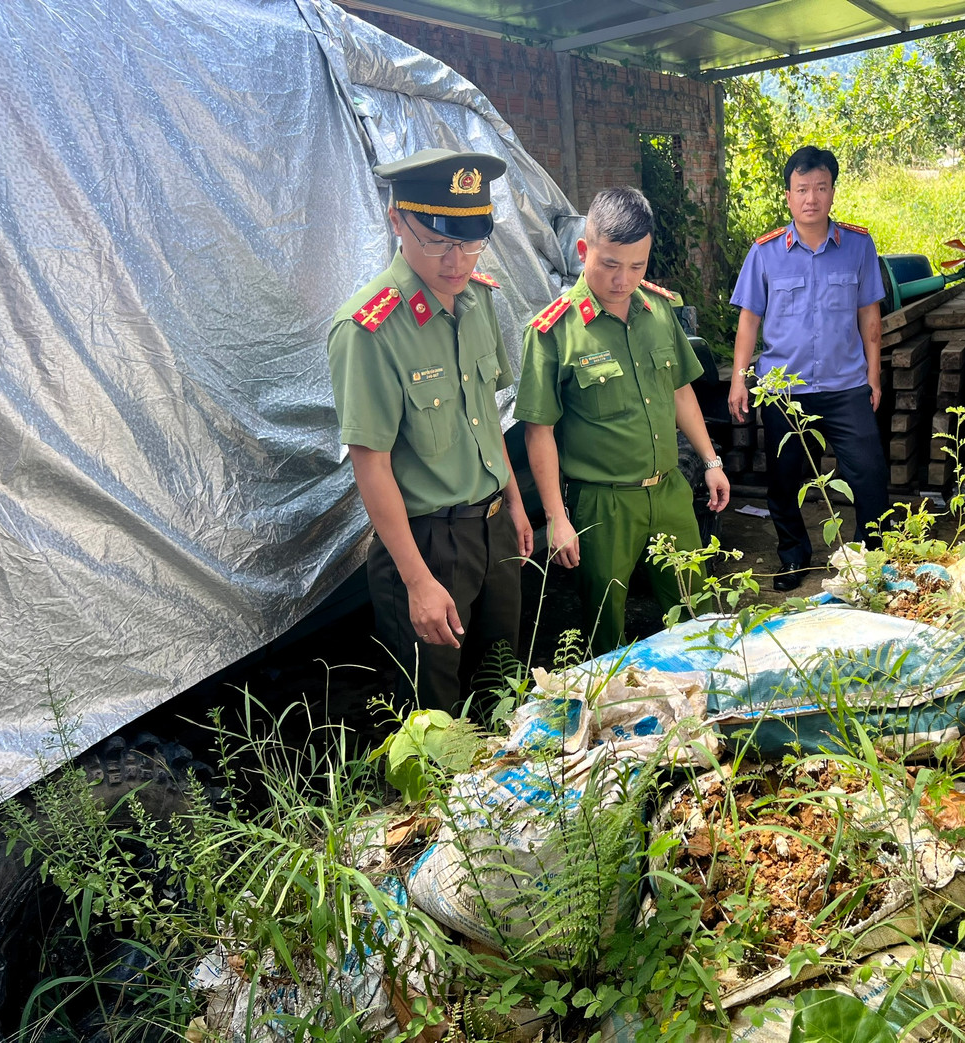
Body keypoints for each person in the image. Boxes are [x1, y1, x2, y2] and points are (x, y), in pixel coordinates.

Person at [326, 148, 533, 713]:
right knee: (434, 714)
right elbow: (371, 464)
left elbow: (487, 418)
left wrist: (513, 505)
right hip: (426, 546)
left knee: (503, 691)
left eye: (471, 241)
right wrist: (416, 581)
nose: (457, 259)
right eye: (440, 241)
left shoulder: (478, 300)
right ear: (397, 221)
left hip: (492, 532)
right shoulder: (369, 328)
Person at [514, 186, 730, 654]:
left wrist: (711, 460)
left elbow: (679, 391)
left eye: (637, 266)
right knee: (604, 631)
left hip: (670, 491)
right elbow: (540, 431)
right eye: (610, 264)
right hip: (602, 505)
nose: (623, 279)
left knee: (698, 615)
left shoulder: (659, 311)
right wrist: (556, 517)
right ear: (583, 250)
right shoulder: (554, 332)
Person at [728, 145, 889, 592]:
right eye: (802, 189)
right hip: (783, 389)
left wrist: (873, 377)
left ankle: (865, 562)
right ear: (788, 196)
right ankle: (793, 556)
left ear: (833, 191)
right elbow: (749, 320)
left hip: (845, 386)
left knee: (870, 477)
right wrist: (740, 379)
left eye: (820, 187)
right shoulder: (765, 253)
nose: (811, 198)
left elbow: (869, 317)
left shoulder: (858, 245)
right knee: (783, 481)